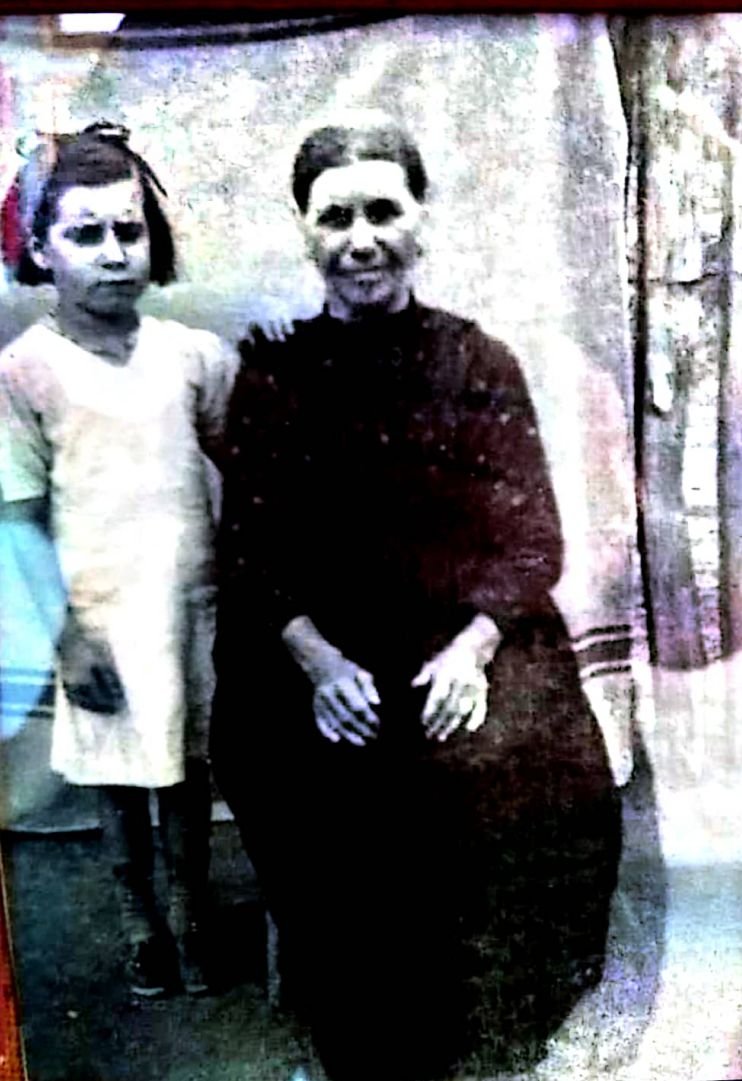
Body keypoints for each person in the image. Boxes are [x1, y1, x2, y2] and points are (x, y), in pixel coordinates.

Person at [211, 113, 622, 1080]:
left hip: (460, 632)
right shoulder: (272, 375)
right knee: (325, 791)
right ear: (305, 231)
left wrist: (474, 649)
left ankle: (494, 1008)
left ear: (420, 219)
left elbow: (534, 538)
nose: (361, 240)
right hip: (326, 644)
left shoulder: (480, 362)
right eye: (335, 217)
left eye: (383, 212)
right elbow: (251, 551)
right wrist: (318, 663)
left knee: (530, 766)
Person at [0, 124, 240, 998]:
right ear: (40, 249)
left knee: (187, 772)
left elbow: (251, 466)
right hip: (97, 619)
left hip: (187, 609)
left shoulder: (191, 357)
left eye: (128, 231)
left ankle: (190, 911)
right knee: (119, 784)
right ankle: (140, 922)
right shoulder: (25, 372)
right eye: (85, 234)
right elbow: (19, 517)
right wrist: (68, 639)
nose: (112, 254)